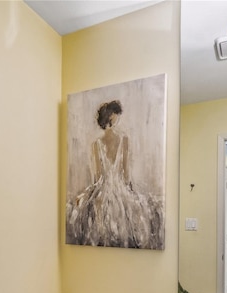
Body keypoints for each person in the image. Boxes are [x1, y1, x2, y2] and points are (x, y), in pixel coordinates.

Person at [66, 100, 164, 249]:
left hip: (103, 188)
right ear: (111, 116)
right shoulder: (123, 140)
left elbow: (98, 176)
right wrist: (128, 189)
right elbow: (126, 174)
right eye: (117, 115)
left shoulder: (96, 144)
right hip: (119, 187)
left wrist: (94, 191)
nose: (118, 117)